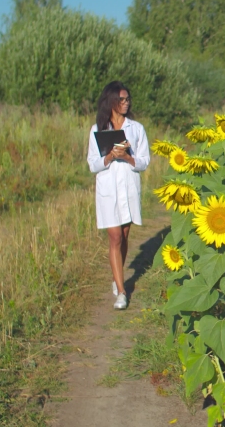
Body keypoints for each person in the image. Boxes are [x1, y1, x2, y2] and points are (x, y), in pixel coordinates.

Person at [87, 81, 150, 310]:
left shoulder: (137, 128)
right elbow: (92, 164)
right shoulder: (97, 129)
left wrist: (128, 158)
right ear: (111, 101)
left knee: (123, 236)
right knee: (114, 237)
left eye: (127, 99)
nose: (126, 103)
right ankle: (122, 292)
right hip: (108, 189)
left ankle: (117, 277)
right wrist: (109, 157)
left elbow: (144, 161)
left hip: (129, 187)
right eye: (121, 100)